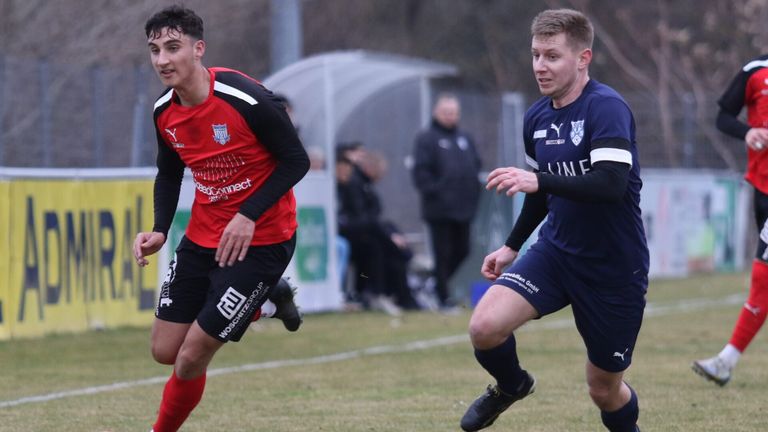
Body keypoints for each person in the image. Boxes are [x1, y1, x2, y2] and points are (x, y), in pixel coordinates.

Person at [460, 9, 648, 432]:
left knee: (603, 389)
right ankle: (511, 386)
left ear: (583, 58)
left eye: (552, 56)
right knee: (485, 327)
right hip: (557, 253)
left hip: (612, 266)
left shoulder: (606, 108)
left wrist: (538, 178)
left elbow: (611, 184)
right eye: (535, 55)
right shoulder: (537, 118)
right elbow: (541, 194)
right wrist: (511, 246)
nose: (540, 67)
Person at [133, 6, 309, 432]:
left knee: (192, 355)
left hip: (263, 240)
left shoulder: (247, 99)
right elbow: (170, 169)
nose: (162, 60)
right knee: (164, 351)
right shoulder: (163, 111)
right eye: (155, 50)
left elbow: (296, 161)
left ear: (198, 49)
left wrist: (248, 214)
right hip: (202, 237)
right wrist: (159, 229)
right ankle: (266, 301)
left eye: (173, 48)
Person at [692, 52, 768, 386]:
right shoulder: (756, 70)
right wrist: (748, 132)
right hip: (762, 188)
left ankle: (726, 360)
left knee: (763, 277)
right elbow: (723, 117)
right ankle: (725, 361)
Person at [411, 93, 482, 310]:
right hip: (440, 209)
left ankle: (431, 285)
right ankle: (442, 297)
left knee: (463, 250)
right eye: (447, 112)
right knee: (443, 254)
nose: (451, 117)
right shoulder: (427, 139)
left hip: (464, 207)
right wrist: (437, 191)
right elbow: (421, 173)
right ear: (436, 113)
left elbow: (476, 165)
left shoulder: (464, 138)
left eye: (454, 113)